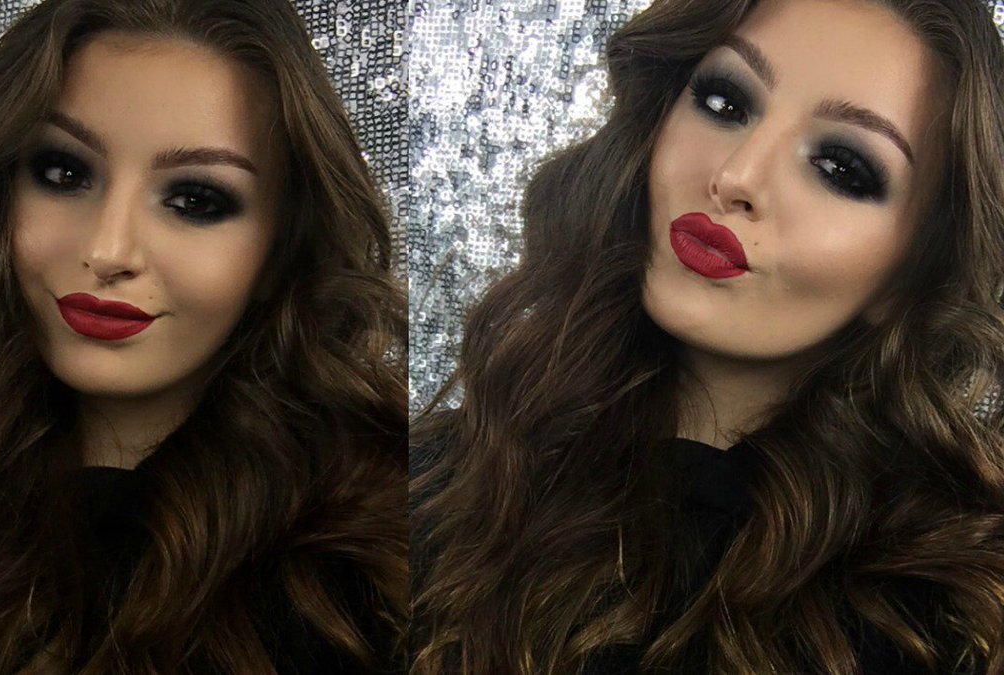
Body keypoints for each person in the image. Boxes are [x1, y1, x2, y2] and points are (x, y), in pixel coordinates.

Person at [0, 0, 407, 673]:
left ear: (281, 250)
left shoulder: (362, 573)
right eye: (64, 173)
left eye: (195, 201)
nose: (108, 250)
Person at [410, 0, 1004, 672]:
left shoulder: (951, 617)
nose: (736, 176)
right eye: (724, 102)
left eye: (841, 167)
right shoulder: (438, 486)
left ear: (915, 270)